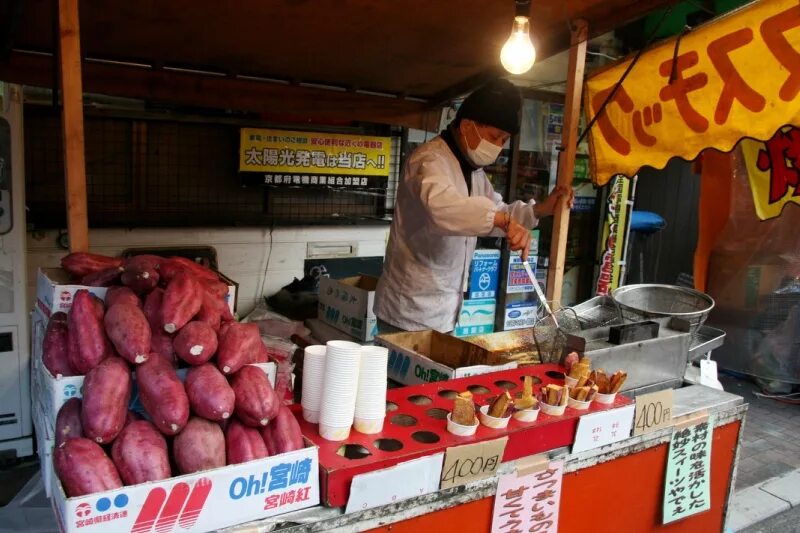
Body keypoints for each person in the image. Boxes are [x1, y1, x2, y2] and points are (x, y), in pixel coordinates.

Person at [374, 79, 574, 333]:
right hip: (407, 310)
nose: (499, 146)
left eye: (504, 140)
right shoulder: (429, 160)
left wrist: (540, 210)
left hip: (445, 309)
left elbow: (496, 211)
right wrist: (502, 220)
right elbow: (442, 209)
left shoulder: (473, 173)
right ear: (468, 125)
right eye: (495, 136)